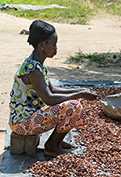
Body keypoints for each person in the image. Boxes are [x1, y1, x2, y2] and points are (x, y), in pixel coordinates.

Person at [9, 20, 98, 157]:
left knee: (76, 102)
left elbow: (53, 89)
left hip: (29, 118)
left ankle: (57, 141)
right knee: (73, 106)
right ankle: (52, 146)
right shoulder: (32, 68)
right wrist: (76, 96)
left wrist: (79, 92)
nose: (56, 48)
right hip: (22, 124)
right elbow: (49, 98)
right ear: (42, 45)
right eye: (54, 44)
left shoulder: (38, 65)